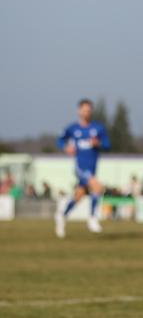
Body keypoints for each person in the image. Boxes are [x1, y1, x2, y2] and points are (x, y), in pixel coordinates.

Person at [54, 99, 110, 238]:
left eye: (89, 109)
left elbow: (107, 144)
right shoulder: (72, 128)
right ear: (79, 111)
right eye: (84, 109)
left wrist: (98, 143)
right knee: (97, 187)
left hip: (92, 168)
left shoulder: (98, 128)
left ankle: (61, 215)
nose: (86, 112)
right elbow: (59, 140)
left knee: (78, 196)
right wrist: (65, 147)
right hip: (80, 167)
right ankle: (92, 218)